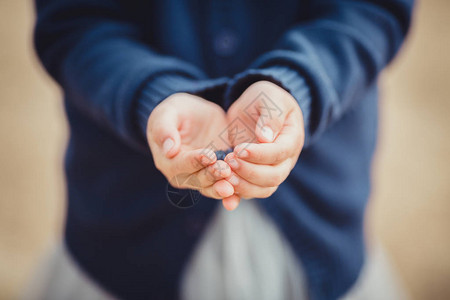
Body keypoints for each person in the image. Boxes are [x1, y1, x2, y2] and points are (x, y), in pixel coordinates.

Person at [29, 0, 414, 299]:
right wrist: (153, 94)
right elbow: (74, 20)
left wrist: (297, 85)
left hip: (319, 214)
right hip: (124, 224)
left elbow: (370, 10)